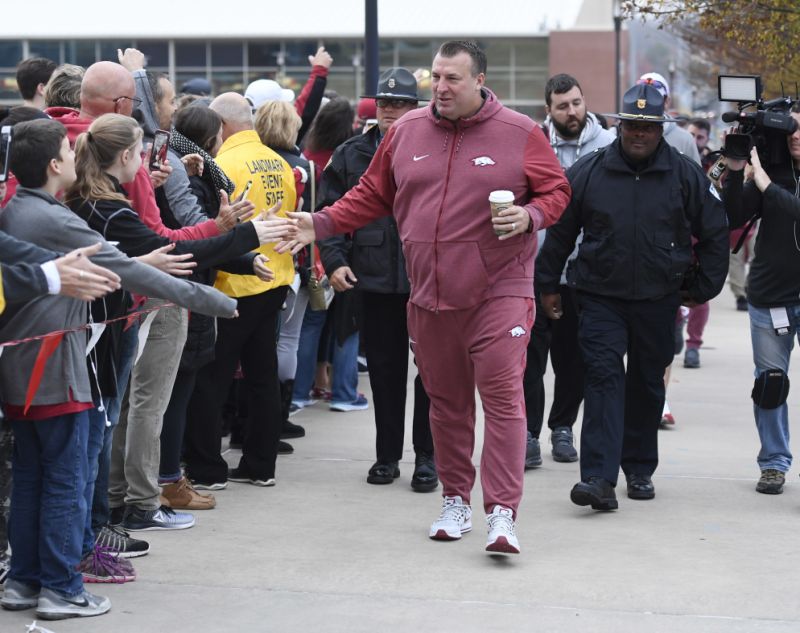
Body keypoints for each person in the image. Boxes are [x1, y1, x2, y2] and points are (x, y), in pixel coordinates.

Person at [279, 41, 570, 555]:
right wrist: (318, 223)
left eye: (453, 78)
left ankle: (502, 513)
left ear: (480, 79)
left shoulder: (520, 133)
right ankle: (455, 499)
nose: (440, 87)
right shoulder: (406, 131)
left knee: (502, 401)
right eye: (436, 76)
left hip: (499, 290)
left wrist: (530, 216)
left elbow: (557, 192)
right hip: (430, 294)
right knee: (447, 404)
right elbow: (370, 195)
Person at [0, 118, 237, 619]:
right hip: (58, 371)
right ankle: (61, 589)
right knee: (67, 480)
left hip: (25, 373)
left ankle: (24, 581)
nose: (73, 152)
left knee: (33, 477)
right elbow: (126, 270)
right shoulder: (55, 220)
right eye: (67, 148)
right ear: (52, 166)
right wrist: (213, 301)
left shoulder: (19, 211)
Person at [536, 83, 728, 511]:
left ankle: (638, 468)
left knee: (645, 383)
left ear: (660, 129)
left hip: (659, 297)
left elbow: (715, 231)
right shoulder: (590, 170)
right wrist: (548, 284)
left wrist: (701, 288)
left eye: (648, 126)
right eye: (632, 126)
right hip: (599, 295)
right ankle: (598, 479)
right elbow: (561, 234)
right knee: (603, 378)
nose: (639, 134)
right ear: (620, 126)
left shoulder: (684, 174)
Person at [316, 67, 437, 491]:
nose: (391, 110)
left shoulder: (438, 148)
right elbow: (330, 211)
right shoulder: (350, 154)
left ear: (416, 107)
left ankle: (428, 457)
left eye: (400, 103)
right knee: (385, 372)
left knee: (433, 374)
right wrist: (333, 262)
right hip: (376, 281)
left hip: (428, 281)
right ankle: (387, 456)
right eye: (385, 103)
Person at [184, 92, 297, 489]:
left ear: (222, 126)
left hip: (231, 283)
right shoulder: (279, 161)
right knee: (262, 375)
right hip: (275, 277)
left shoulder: (221, 164)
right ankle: (260, 464)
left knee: (213, 380)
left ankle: (207, 469)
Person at [523, 73, 614, 468]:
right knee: (529, 359)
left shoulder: (609, 145)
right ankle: (527, 433)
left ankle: (563, 428)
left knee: (573, 359)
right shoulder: (532, 143)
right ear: (549, 109)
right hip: (533, 269)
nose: (572, 111)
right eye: (562, 106)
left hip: (585, 273)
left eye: (576, 102)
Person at [722, 105, 800, 496]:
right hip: (772, 296)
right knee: (771, 384)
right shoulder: (771, 169)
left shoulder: (772, 181)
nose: (798, 134)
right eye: (793, 127)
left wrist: (768, 186)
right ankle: (773, 463)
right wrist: (736, 171)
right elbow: (734, 214)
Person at [637, 73, 701, 163]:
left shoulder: (685, 139)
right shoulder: (621, 134)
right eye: (642, 100)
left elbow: (696, 175)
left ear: (667, 102)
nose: (648, 104)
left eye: (654, 99)